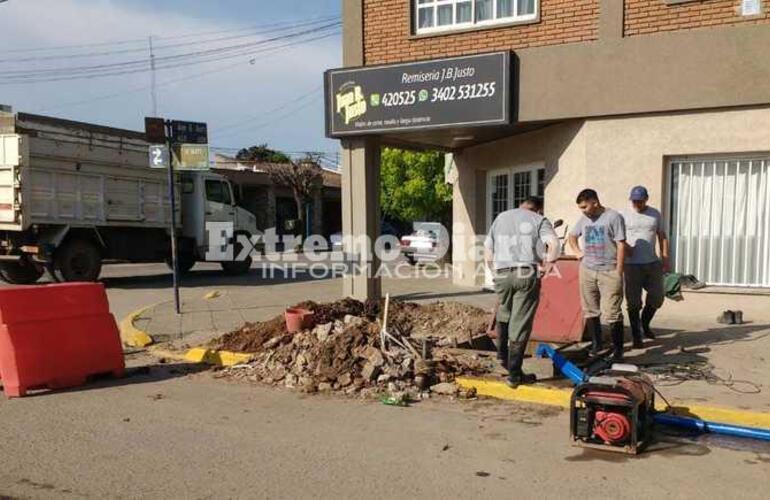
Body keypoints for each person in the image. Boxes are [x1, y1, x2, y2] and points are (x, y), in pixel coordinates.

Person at [485, 196, 560, 387]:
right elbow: (553, 243)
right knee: (520, 323)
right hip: (525, 274)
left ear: (521, 206)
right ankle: (515, 374)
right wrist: (549, 263)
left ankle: (502, 356)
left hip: (501, 274)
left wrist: (494, 271)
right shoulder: (539, 220)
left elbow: (488, 248)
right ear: (538, 209)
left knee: (504, 312)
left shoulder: (501, 217)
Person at [568, 189, 628, 361]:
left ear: (595, 202)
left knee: (612, 312)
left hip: (609, 270)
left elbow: (621, 245)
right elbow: (572, 236)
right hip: (587, 270)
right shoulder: (584, 219)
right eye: (580, 208)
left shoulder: (613, 217)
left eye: (585, 206)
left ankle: (618, 350)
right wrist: (578, 252)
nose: (583, 210)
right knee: (590, 309)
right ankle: (597, 343)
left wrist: (619, 271)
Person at [622, 186, 669, 347]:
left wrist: (665, 257)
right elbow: (618, 239)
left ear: (646, 199)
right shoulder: (624, 215)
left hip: (652, 262)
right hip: (631, 265)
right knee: (633, 303)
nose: (637, 204)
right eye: (634, 201)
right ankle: (636, 336)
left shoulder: (654, 214)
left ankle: (645, 323)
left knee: (657, 297)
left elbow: (662, 236)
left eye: (640, 201)